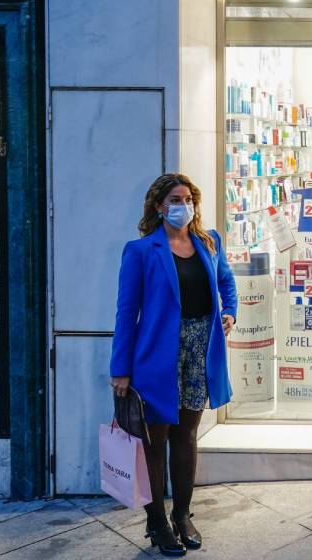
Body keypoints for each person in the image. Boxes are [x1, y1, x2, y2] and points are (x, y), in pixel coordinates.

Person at [111, 173, 237, 556]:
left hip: (200, 350)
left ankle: (182, 515)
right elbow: (126, 311)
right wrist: (121, 367)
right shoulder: (141, 250)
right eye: (175, 199)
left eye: (188, 198)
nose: (183, 205)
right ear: (158, 206)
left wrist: (229, 311)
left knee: (187, 433)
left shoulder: (208, 241)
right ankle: (157, 522)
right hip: (156, 355)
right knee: (156, 439)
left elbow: (226, 282)